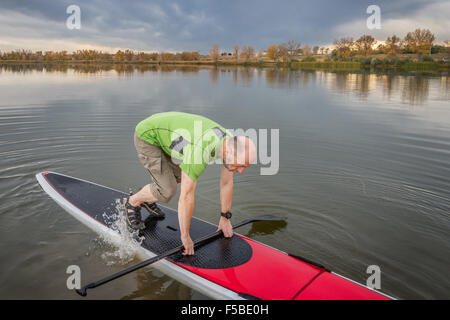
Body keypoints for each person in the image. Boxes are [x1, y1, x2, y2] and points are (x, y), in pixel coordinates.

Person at [126, 111, 257, 255]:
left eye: (245, 166)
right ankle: (133, 202)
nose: (241, 171)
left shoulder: (231, 142)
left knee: (183, 177)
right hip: (147, 137)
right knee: (168, 191)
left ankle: (151, 193)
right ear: (230, 153)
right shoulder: (199, 151)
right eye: (241, 165)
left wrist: (225, 218)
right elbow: (186, 197)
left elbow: (226, 183)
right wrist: (185, 237)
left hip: (172, 139)